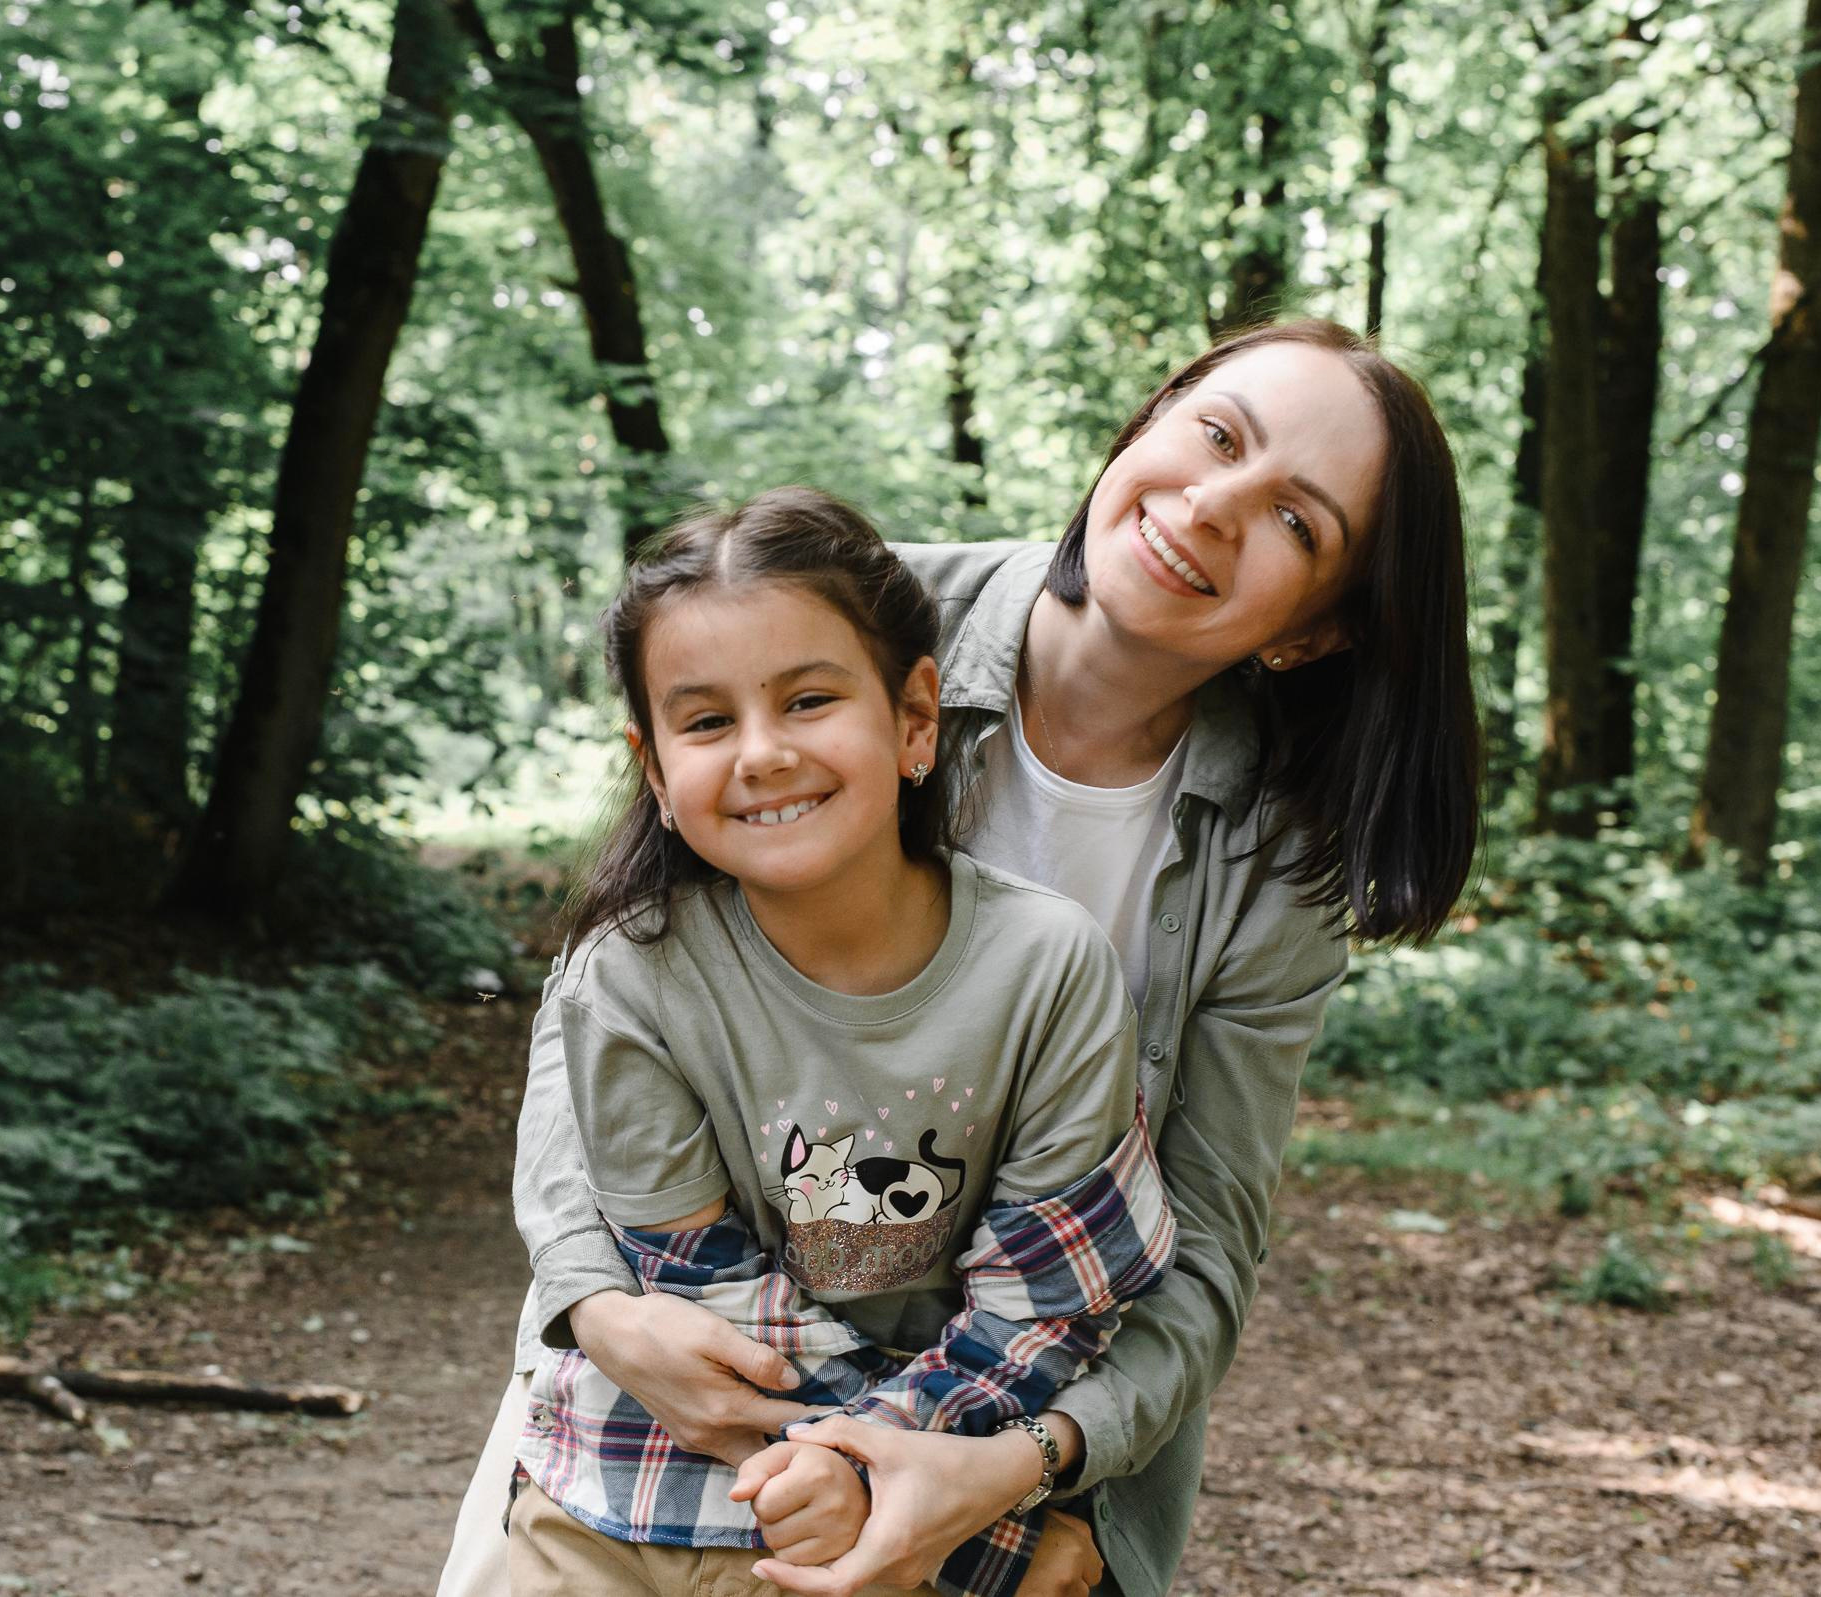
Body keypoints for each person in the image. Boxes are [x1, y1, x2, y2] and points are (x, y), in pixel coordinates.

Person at [439, 319, 1481, 1597]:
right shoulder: (833, 624)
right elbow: (606, 994)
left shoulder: (1277, 856)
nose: (1212, 507)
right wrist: (597, 1303)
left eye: (1296, 522)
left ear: (1314, 633)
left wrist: (1037, 1473)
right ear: (1149, 424)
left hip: (1013, 1406)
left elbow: (1203, 1238)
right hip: (679, 1361)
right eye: (1216, 435)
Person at [506, 489, 1178, 1597]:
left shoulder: (1048, 967)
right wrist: (965, 1533)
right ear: (657, 771)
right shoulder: (629, 976)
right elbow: (693, 1300)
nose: (763, 753)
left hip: (930, 1461)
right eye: (708, 721)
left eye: (809, 699)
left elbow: (1044, 1301)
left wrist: (886, 1483)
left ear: (917, 717)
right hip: (639, 1475)